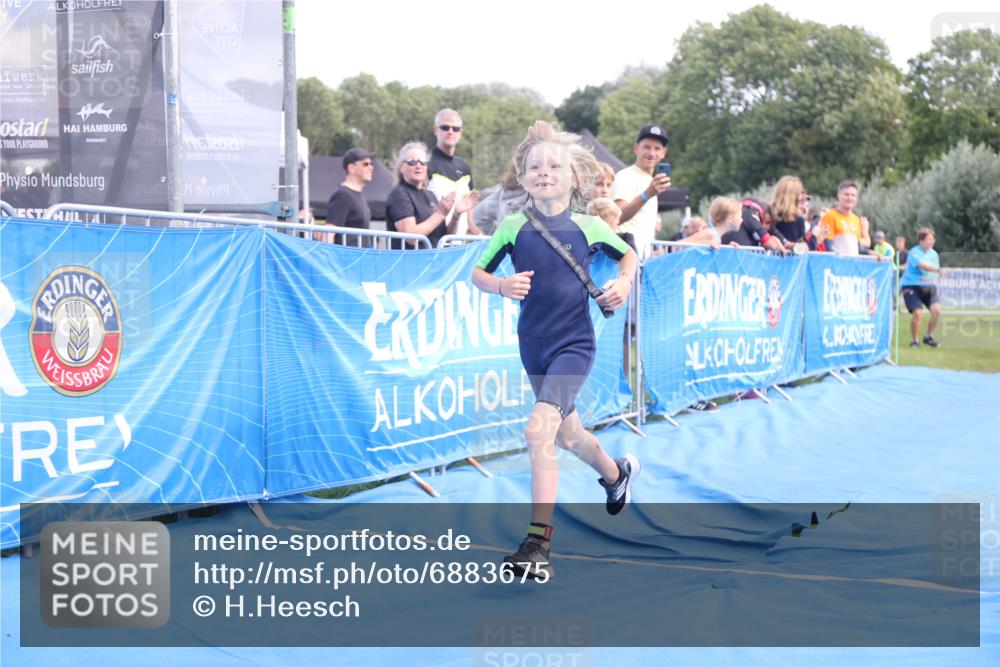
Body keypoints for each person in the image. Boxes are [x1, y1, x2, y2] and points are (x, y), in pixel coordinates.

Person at [471, 121, 640, 579]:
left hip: (573, 344)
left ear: (572, 178)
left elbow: (629, 255)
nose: (544, 172)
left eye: (554, 166)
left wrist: (623, 282)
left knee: (537, 431)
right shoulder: (512, 226)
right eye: (534, 167)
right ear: (524, 179)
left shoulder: (588, 226)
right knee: (567, 437)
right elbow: (478, 274)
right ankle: (616, 473)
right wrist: (502, 284)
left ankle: (537, 545)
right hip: (533, 345)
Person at [385, 142, 479, 248]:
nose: (418, 166)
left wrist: (456, 214)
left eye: (423, 162)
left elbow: (444, 237)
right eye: (412, 162)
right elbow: (411, 237)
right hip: (410, 262)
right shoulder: (399, 194)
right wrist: (440, 213)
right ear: (401, 167)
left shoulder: (430, 195)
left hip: (433, 261)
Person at [612, 124, 672, 258]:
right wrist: (647, 194)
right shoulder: (625, 176)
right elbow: (617, 217)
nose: (651, 153)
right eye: (647, 147)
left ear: (663, 153)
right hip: (623, 261)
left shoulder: (651, 181)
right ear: (636, 148)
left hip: (640, 262)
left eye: (657, 148)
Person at [428, 108, 482, 236]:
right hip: (433, 244)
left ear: (461, 132)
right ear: (436, 130)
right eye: (445, 127)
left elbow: (470, 211)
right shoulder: (424, 163)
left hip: (459, 245)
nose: (450, 132)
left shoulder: (464, 166)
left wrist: (482, 238)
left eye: (455, 128)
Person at [901, 228, 948, 348]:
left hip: (928, 286)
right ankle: (914, 341)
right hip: (911, 285)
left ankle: (928, 337)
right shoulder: (914, 252)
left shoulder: (934, 254)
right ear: (921, 241)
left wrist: (935, 274)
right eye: (928, 239)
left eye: (932, 239)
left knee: (937, 310)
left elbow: (934, 271)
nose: (931, 242)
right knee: (917, 312)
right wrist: (937, 270)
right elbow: (922, 266)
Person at [326, 147, 375, 245]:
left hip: (358, 258)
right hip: (346, 259)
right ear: (351, 168)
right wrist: (328, 259)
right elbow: (328, 233)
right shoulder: (342, 195)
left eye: (371, 164)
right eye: (365, 164)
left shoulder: (357, 195)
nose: (371, 167)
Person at [821, 181, 871, 256]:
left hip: (852, 265)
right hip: (837, 265)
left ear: (856, 198)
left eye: (853, 195)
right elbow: (828, 248)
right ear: (839, 195)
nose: (849, 198)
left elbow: (856, 248)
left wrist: (871, 253)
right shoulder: (830, 216)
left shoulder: (856, 220)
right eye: (846, 194)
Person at [719, 198, 784, 250]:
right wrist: (776, 242)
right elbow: (771, 244)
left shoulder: (727, 220)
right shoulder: (750, 215)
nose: (764, 226)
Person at [771, 175, 810, 245]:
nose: (801, 197)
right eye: (799, 193)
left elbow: (801, 241)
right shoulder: (797, 220)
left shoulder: (770, 215)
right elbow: (801, 241)